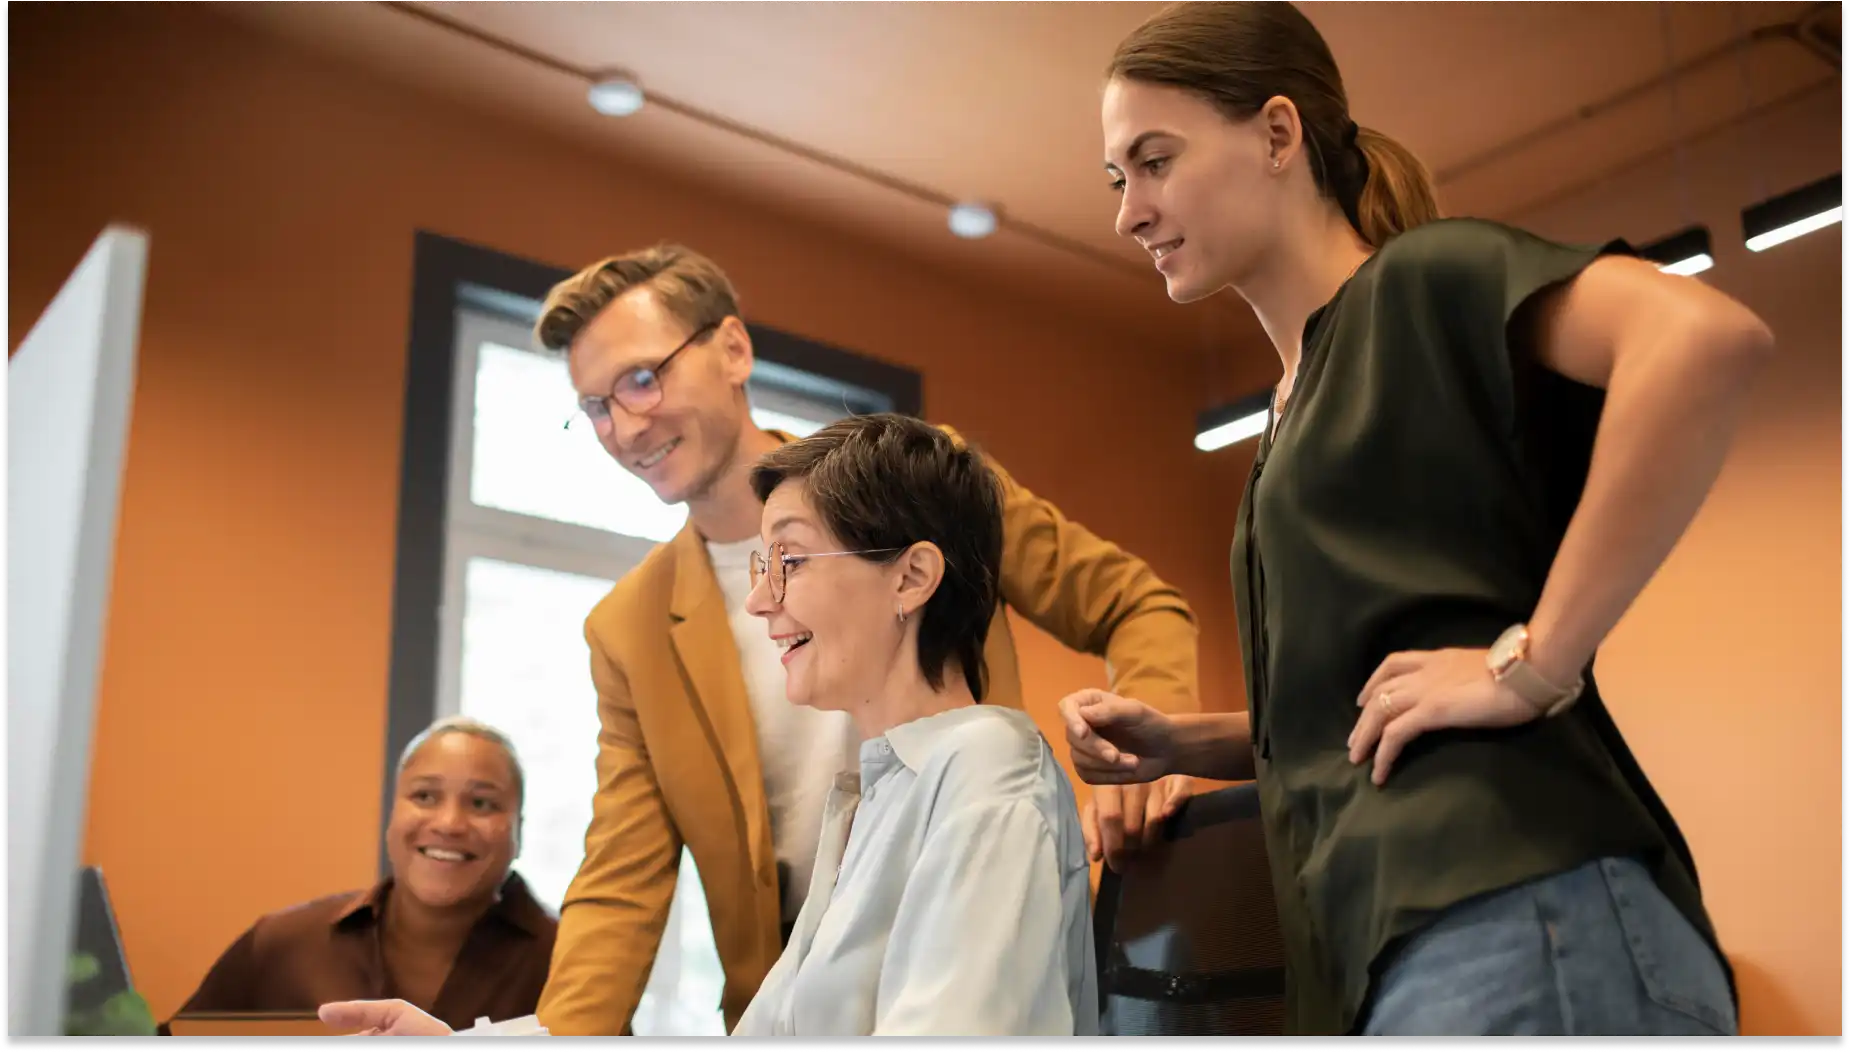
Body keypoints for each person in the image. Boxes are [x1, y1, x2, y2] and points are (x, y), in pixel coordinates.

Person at [1064, 2, 1770, 1039]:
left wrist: (1526, 662)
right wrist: (1191, 738)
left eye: (1154, 160)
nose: (1128, 210)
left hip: (1515, 915)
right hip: (1404, 951)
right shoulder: (1284, 413)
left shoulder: (1415, 282)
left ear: (1274, 133)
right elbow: (1358, 704)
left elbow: (1703, 339)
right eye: (1117, 178)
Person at [521, 244, 1196, 1035]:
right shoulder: (628, 628)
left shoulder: (909, 490)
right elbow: (619, 886)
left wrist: (1142, 752)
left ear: (733, 348)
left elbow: (1133, 602)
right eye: (596, 406)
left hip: (976, 937)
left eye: (642, 378)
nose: (624, 426)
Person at [323, 414, 1099, 1038]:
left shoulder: (989, 770)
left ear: (912, 576)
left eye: (789, 561)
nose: (760, 602)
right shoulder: (871, 798)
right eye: (760, 566)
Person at [168, 717, 555, 1033]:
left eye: (482, 803)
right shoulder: (282, 944)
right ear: (393, 813)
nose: (449, 823)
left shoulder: (569, 960)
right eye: (424, 796)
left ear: (518, 830)